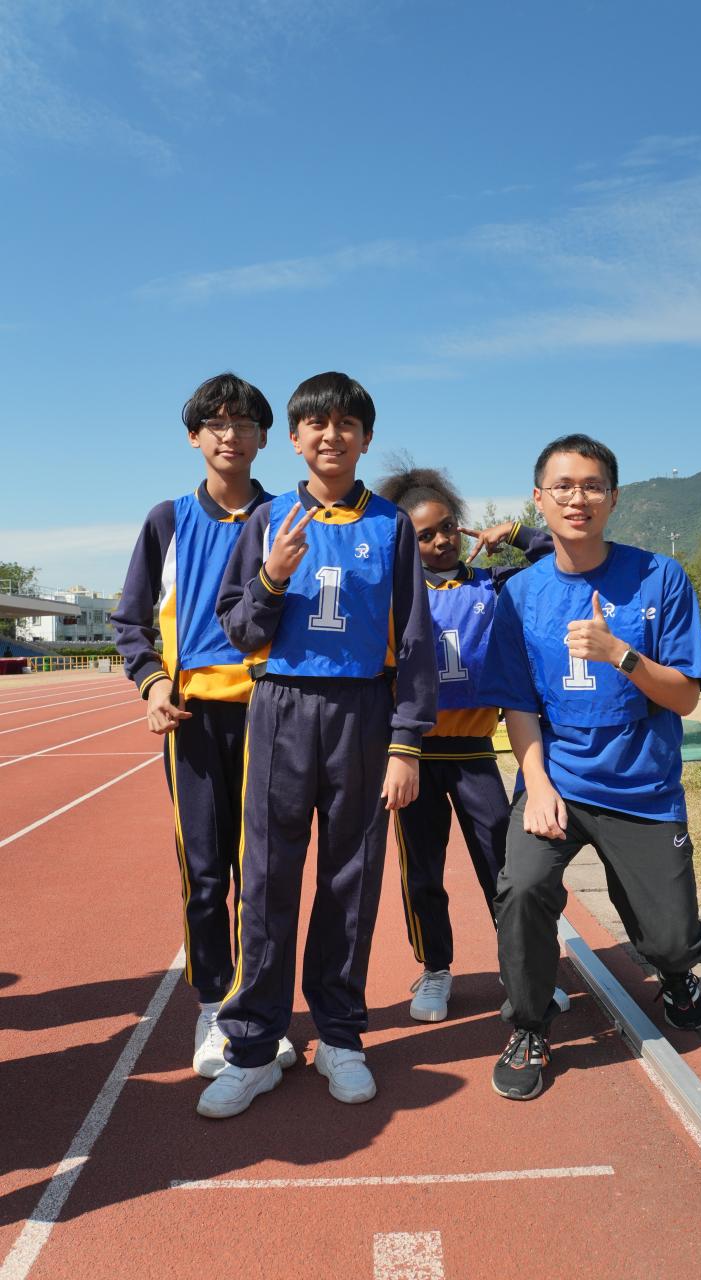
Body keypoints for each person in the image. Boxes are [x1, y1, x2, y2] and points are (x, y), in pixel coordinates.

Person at [197, 372, 437, 1119]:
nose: (331, 435)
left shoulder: (392, 526)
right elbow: (238, 628)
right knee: (267, 877)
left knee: (350, 879)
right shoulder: (266, 518)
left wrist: (406, 743)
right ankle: (253, 1046)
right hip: (281, 705)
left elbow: (415, 641)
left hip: (362, 708)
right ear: (295, 439)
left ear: (365, 438)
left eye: (346, 424)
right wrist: (271, 576)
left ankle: (338, 1035)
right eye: (317, 424)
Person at [479, 433, 701, 1101]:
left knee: (670, 941)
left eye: (591, 486)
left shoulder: (659, 577)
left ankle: (675, 973)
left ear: (613, 497)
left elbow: (685, 697)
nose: (576, 498)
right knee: (522, 887)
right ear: (538, 498)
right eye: (562, 486)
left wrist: (620, 654)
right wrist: (538, 786)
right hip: (560, 781)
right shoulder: (520, 593)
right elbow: (518, 705)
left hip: (642, 786)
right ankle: (528, 1025)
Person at [112, 372, 296, 1079]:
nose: (230, 435)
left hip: (271, 712)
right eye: (215, 423)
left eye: (243, 423)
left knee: (265, 871)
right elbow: (131, 620)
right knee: (205, 871)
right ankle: (215, 1006)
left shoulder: (288, 516)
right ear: (194, 436)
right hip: (191, 719)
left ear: (263, 437)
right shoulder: (167, 520)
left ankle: (262, 1008)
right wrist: (153, 682)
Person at [376, 464, 571, 1023]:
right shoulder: (393, 595)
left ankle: (520, 969)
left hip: (474, 754)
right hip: (415, 756)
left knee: (502, 867)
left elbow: (558, 559)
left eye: (447, 527)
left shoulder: (495, 583)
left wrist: (515, 533)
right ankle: (435, 968)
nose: (440, 541)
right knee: (422, 872)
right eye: (423, 535)